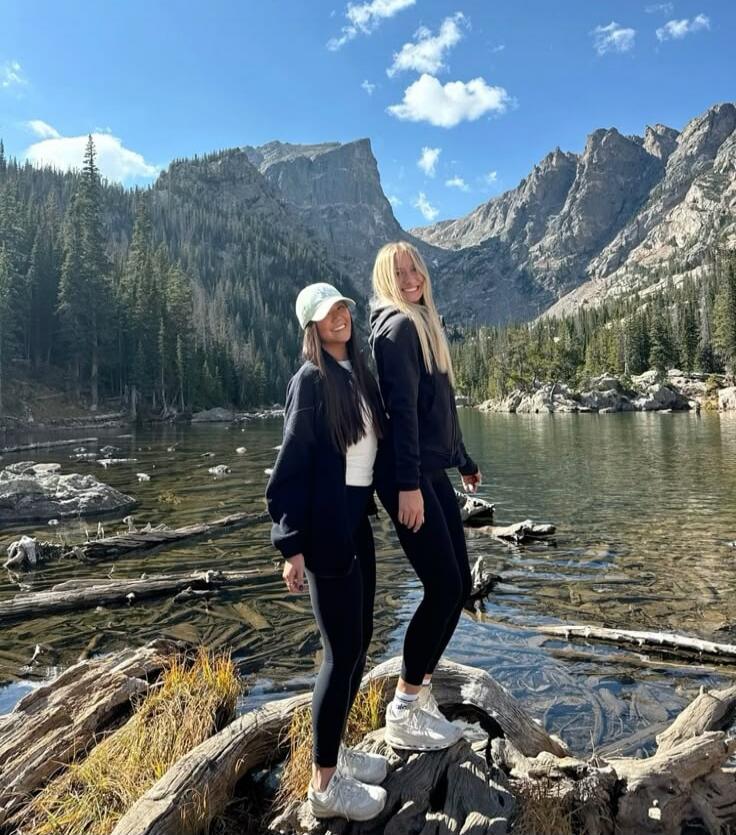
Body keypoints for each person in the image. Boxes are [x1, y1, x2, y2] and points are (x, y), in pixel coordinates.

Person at [266, 282, 388, 821]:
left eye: (343, 307)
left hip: (356, 522)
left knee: (360, 643)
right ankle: (324, 786)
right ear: (311, 327)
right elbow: (288, 470)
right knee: (340, 655)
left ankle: (336, 750)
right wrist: (291, 546)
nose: (339, 316)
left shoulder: (353, 375)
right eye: (327, 313)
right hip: (324, 533)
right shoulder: (310, 381)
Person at [370, 241, 482, 751]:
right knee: (441, 588)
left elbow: (441, 409)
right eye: (400, 271)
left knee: (458, 588)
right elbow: (404, 414)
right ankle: (404, 706)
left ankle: (419, 694)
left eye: (415, 267)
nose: (412, 276)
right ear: (385, 279)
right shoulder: (396, 328)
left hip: (430, 471)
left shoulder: (422, 322)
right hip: (406, 477)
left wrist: (463, 460)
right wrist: (410, 487)